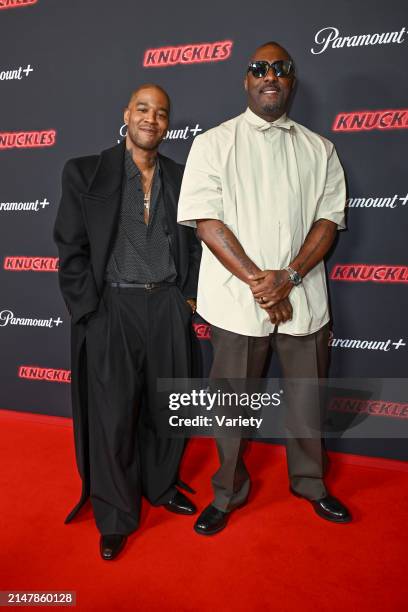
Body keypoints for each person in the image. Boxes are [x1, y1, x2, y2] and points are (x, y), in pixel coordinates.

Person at [177, 41, 351, 535]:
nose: (269, 75)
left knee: (307, 400)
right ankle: (228, 492)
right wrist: (262, 284)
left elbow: (328, 221)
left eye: (280, 68)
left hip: (305, 299)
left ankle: (311, 484)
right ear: (246, 81)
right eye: (259, 68)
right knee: (231, 406)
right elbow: (206, 223)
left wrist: (289, 278)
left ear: (292, 81)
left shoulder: (321, 149)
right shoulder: (213, 143)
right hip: (236, 305)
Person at [54, 84, 201, 559]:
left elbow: (200, 241)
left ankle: (160, 487)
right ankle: (116, 514)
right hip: (112, 308)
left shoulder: (182, 176)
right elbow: (71, 248)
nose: (151, 119)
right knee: (113, 416)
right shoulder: (86, 172)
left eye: (161, 112)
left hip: (166, 306)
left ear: (167, 123)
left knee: (167, 408)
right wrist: (90, 313)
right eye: (143, 109)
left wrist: (190, 298)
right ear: (127, 114)